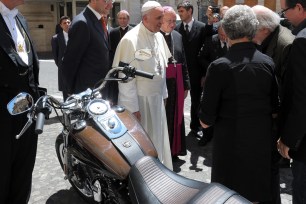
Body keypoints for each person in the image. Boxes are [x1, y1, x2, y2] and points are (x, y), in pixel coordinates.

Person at [198, 5, 279, 202]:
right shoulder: (267, 62)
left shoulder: (219, 67)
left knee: (231, 197)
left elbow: (205, 120)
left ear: (226, 30)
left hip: (230, 148)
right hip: (261, 145)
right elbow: (275, 107)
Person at [112, 1, 173, 170]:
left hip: (157, 99)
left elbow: (162, 68)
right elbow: (125, 79)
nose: (162, 21)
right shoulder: (130, 40)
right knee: (144, 144)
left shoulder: (159, 36)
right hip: (141, 102)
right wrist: (131, 108)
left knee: (158, 139)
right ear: (145, 18)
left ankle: (161, 170)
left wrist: (164, 93)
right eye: (158, 17)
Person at [252, 5, 295, 203]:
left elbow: (291, 92)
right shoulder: (270, 38)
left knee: (271, 172)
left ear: (264, 29)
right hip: (271, 117)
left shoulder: (285, 44)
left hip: (278, 120)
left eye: (252, 25)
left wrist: (285, 133)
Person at [0, 0, 41, 203]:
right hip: (2, 125)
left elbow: (29, 69)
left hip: (26, 120)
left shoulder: (20, 19)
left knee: (22, 182)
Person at [277, 0, 306, 203]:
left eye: (285, 10)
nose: (284, 16)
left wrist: (289, 138)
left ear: (298, 7)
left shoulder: (302, 41)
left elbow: (301, 97)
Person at [61, 0, 113, 97]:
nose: (111, 5)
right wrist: (71, 91)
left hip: (99, 89)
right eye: (106, 0)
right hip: (86, 93)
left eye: (112, 1)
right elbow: (70, 62)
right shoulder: (82, 23)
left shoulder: (98, 20)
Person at [175, 1, 209, 138]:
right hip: (180, 72)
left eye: (182, 11)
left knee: (196, 101)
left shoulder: (202, 28)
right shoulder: (176, 29)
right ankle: (177, 128)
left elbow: (205, 53)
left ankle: (195, 126)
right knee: (178, 101)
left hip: (196, 73)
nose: (180, 14)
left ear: (190, 11)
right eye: (179, 11)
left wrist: (204, 75)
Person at [160, 6, 190, 159]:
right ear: (160, 20)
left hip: (176, 85)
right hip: (161, 85)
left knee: (176, 118)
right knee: (162, 118)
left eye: (174, 21)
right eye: (169, 21)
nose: (172, 24)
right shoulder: (155, 36)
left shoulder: (177, 36)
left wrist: (186, 84)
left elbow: (183, 61)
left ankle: (174, 149)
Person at [197, 22, 228, 147]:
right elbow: (201, 57)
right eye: (220, 35)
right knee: (209, 107)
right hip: (212, 80)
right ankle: (206, 135)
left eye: (225, 35)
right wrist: (211, 68)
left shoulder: (233, 42)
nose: (223, 38)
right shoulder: (210, 40)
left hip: (227, 82)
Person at [51, 16, 71, 101]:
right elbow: (56, 56)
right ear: (61, 25)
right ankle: (67, 110)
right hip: (64, 69)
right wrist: (62, 66)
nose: (67, 24)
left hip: (77, 68)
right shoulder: (56, 38)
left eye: (68, 22)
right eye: (64, 23)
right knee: (66, 91)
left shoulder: (76, 36)